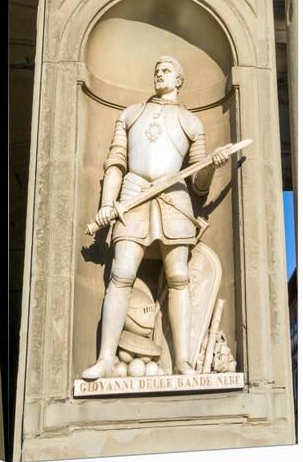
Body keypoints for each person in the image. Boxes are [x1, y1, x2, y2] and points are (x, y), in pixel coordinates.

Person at [83, 55, 229, 379]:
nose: (159, 74)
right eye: (156, 70)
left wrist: (212, 167)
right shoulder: (131, 114)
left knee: (179, 277)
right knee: (120, 274)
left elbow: (198, 186)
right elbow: (116, 162)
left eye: (166, 71)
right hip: (133, 194)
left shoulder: (192, 122)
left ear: (179, 79)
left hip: (174, 198)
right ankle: (106, 358)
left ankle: (183, 361)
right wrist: (108, 202)